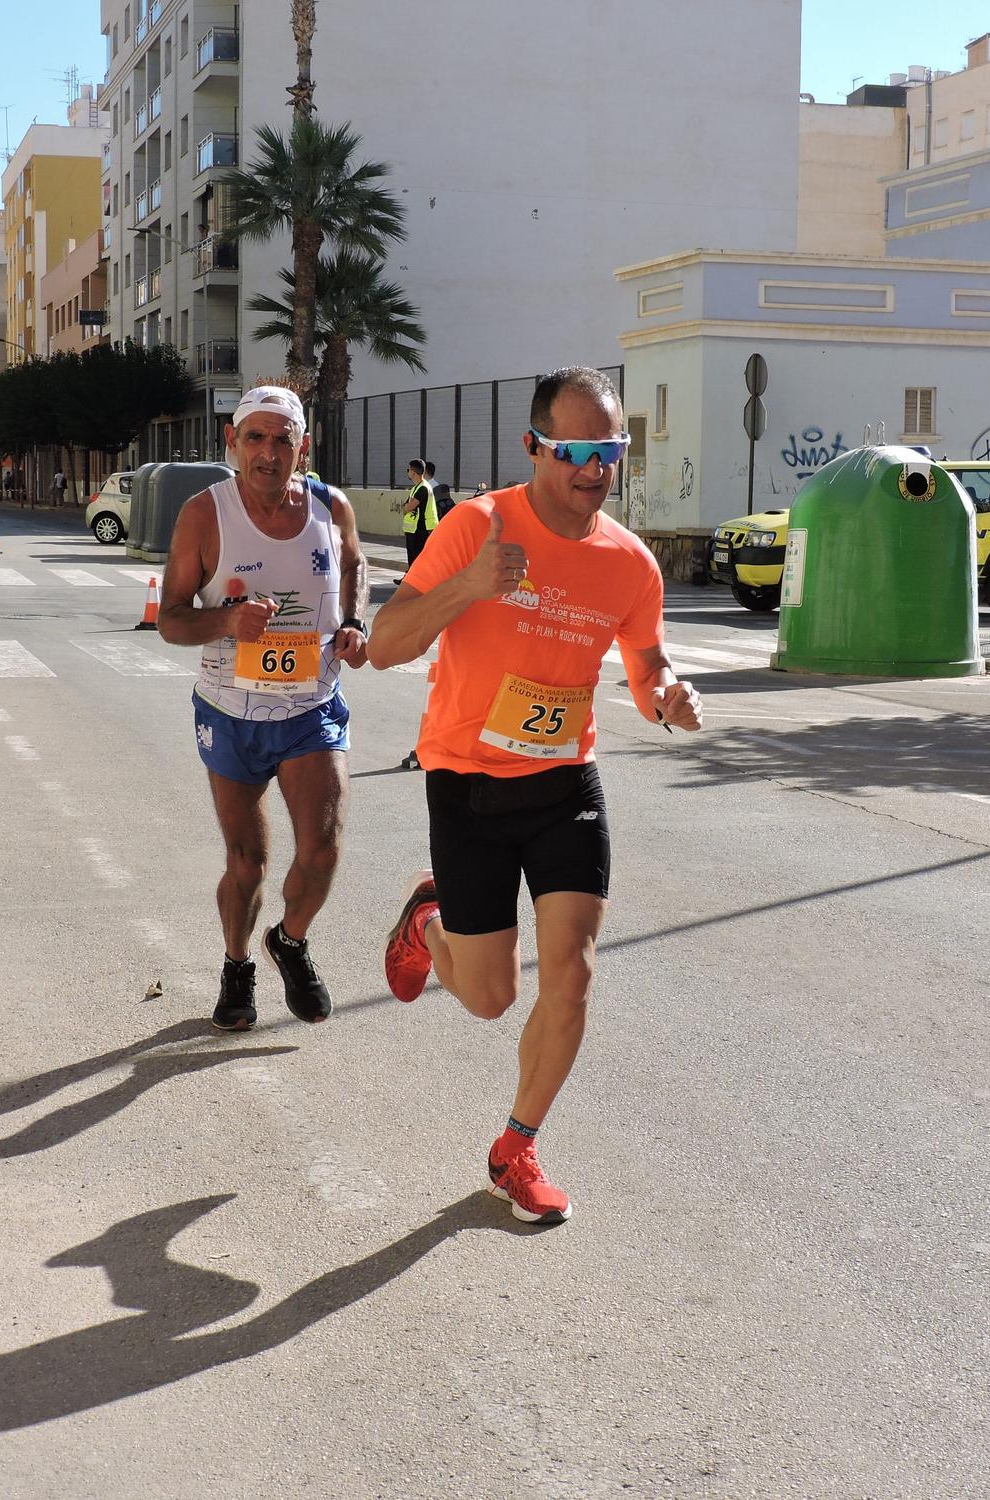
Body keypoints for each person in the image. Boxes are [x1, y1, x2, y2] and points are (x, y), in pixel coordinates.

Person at [369, 366, 703, 1226]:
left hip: (564, 783)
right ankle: (426, 920)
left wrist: (666, 694)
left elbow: (644, 661)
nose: (597, 468)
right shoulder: (477, 527)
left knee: (572, 975)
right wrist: (469, 587)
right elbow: (384, 644)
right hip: (467, 780)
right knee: (489, 998)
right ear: (534, 447)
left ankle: (516, 1146)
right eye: (578, 450)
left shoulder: (630, 565)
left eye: (613, 450)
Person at [158, 386, 371, 1031]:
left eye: (283, 440)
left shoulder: (332, 507)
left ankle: (291, 940)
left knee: (323, 847)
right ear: (232, 440)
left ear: (302, 446)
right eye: (255, 438)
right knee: (246, 860)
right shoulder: (205, 514)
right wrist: (226, 620)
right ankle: (237, 963)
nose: (269, 453)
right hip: (230, 710)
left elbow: (355, 564)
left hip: (310, 706)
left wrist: (355, 622)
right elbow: (170, 620)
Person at [401, 458, 438, 576]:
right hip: (415, 529)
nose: (407, 472)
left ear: (413, 472)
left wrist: (407, 506)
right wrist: (407, 506)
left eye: (408, 469)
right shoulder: (417, 487)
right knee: (414, 558)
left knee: (417, 558)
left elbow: (408, 507)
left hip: (421, 528)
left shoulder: (422, 488)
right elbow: (405, 506)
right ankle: (409, 579)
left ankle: (414, 581)